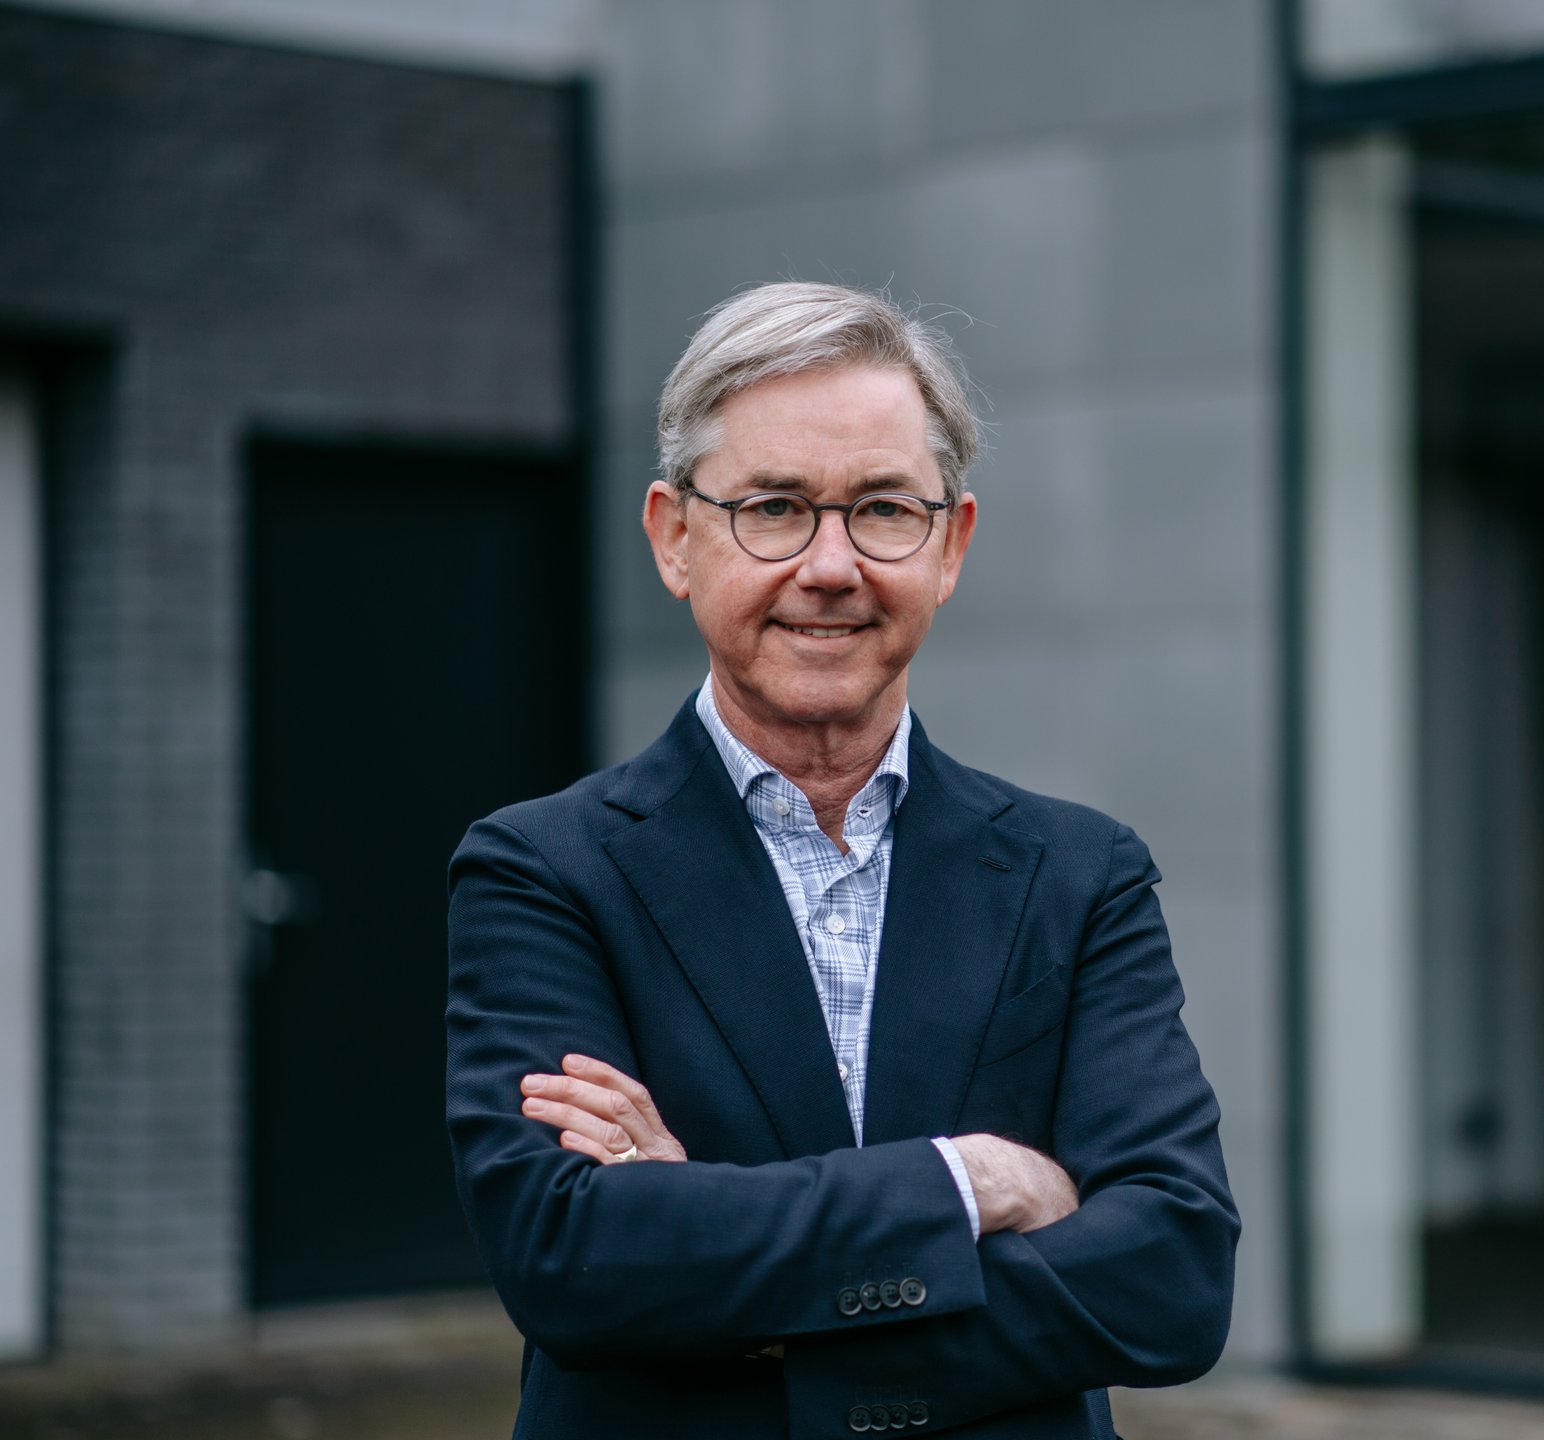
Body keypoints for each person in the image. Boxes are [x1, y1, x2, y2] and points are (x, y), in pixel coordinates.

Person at [445, 281, 1238, 1439]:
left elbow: (1173, 1280)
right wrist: (970, 1185)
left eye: (882, 509)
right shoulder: (543, 871)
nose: (830, 565)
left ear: (950, 544)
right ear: (675, 537)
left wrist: (726, 1266)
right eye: (773, 507)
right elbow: (572, 1259)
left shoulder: (1080, 876)